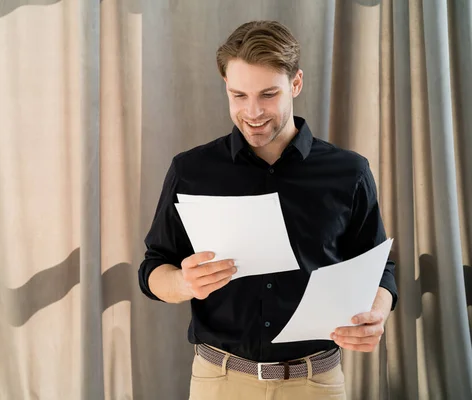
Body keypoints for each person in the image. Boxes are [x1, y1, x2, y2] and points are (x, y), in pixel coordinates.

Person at [138, 20, 398, 400]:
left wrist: (377, 312)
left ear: (296, 84)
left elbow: (381, 267)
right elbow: (153, 267)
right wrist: (182, 283)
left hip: (317, 384)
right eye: (238, 95)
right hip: (219, 382)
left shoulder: (349, 172)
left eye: (268, 94)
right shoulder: (191, 171)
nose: (253, 112)